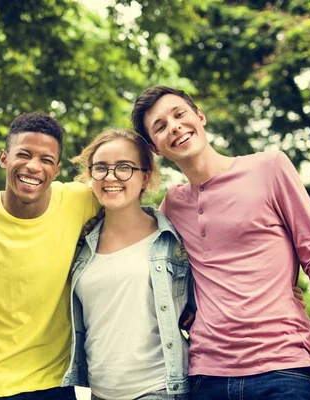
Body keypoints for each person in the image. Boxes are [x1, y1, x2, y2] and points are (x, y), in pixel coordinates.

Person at [132, 86, 310, 400]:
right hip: (206, 378)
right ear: (156, 148)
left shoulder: (269, 168)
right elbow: (157, 276)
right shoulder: (172, 206)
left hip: (283, 368)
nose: (175, 126)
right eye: (161, 126)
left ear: (199, 116)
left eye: (179, 114)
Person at [0, 112, 99, 399]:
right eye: (23, 155)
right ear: (4, 159)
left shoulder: (80, 200)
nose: (33, 167)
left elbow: (130, 208)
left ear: (57, 169)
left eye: (46, 160)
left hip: (55, 382)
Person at [62, 128, 192, 400]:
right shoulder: (80, 244)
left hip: (159, 389)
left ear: (145, 177)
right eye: (101, 168)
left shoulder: (172, 240)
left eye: (124, 167)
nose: (111, 177)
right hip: (98, 393)